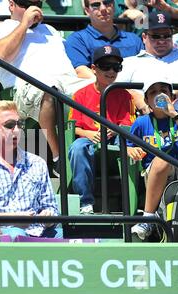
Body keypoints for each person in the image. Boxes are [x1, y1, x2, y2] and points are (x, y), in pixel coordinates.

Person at [0, 0, 92, 177]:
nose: (32, 8)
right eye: (25, 3)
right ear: (12, 5)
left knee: (105, 91)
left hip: (66, 81)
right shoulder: (0, 27)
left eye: (36, 3)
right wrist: (24, 23)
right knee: (48, 89)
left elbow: (73, 68)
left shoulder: (50, 30)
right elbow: (1, 56)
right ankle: (58, 158)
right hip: (26, 85)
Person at [0, 100, 62, 241]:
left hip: (38, 230)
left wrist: (48, 217)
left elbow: (50, 206)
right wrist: (10, 219)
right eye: (9, 125)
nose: (16, 130)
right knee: (15, 234)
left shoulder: (37, 163)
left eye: (19, 125)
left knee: (67, 237)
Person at [69, 45, 136, 215]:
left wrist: (114, 130)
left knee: (132, 147)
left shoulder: (125, 95)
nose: (111, 71)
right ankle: (85, 203)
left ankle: (132, 203)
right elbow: (73, 127)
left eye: (116, 67)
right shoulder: (80, 94)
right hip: (89, 138)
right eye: (105, 66)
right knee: (78, 147)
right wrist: (89, 134)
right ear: (94, 68)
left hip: (115, 138)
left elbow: (127, 124)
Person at [128, 76, 178, 240]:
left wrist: (173, 114)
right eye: (153, 92)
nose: (159, 95)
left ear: (172, 98)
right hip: (155, 173)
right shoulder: (141, 122)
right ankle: (148, 217)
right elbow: (127, 145)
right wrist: (131, 150)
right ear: (146, 101)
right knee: (162, 159)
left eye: (164, 91)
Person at [116, 10, 178, 114]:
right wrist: (135, 96)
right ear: (144, 37)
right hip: (145, 122)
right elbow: (110, 87)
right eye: (155, 36)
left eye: (166, 36)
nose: (162, 41)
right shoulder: (130, 63)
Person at [65, 0, 143, 79]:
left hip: (136, 89)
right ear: (87, 11)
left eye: (107, 3)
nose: (103, 8)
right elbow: (82, 71)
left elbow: (146, 68)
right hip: (101, 90)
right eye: (96, 5)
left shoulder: (134, 40)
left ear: (113, 6)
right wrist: (118, 88)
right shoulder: (77, 40)